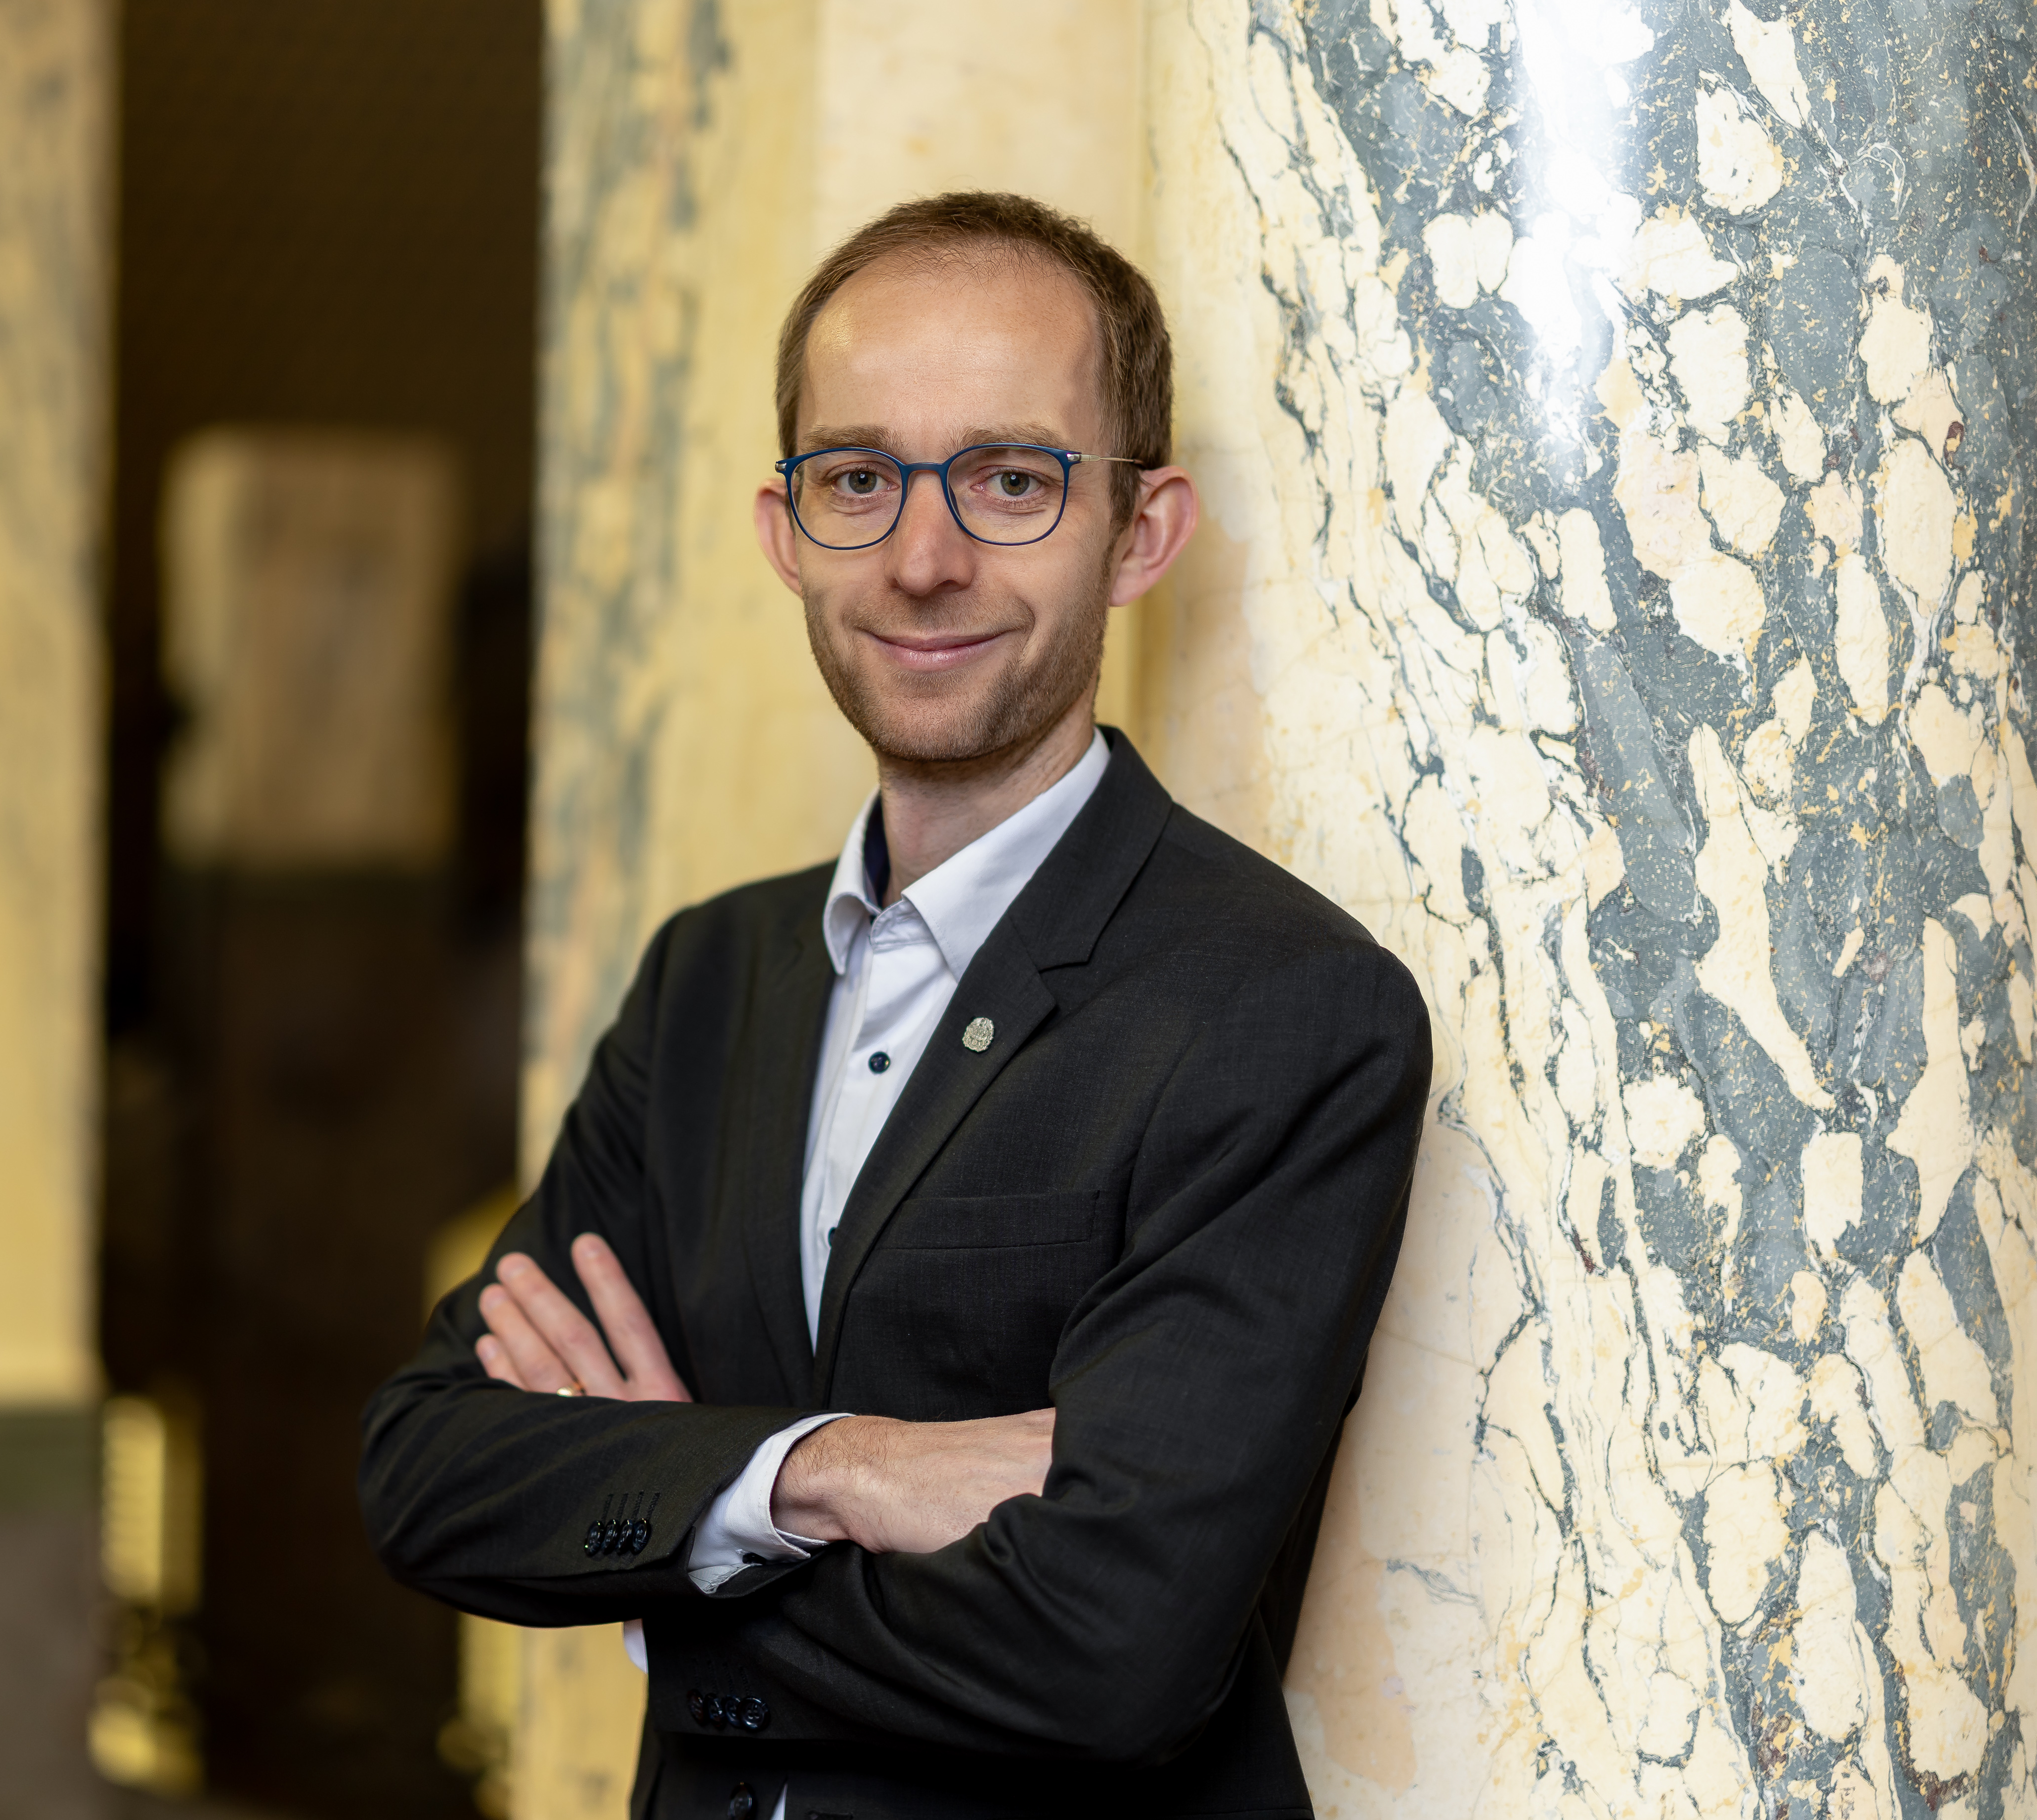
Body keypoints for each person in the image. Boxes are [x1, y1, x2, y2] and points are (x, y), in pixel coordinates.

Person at [359, 191, 1433, 1820]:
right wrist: (834, 1467)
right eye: (858, 480)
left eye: (1009, 479)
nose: (924, 562)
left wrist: (676, 1533)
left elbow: (1114, 1643)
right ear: (785, 530)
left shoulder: (1285, 1008)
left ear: (1139, 532)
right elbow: (429, 1468)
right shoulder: (711, 976)